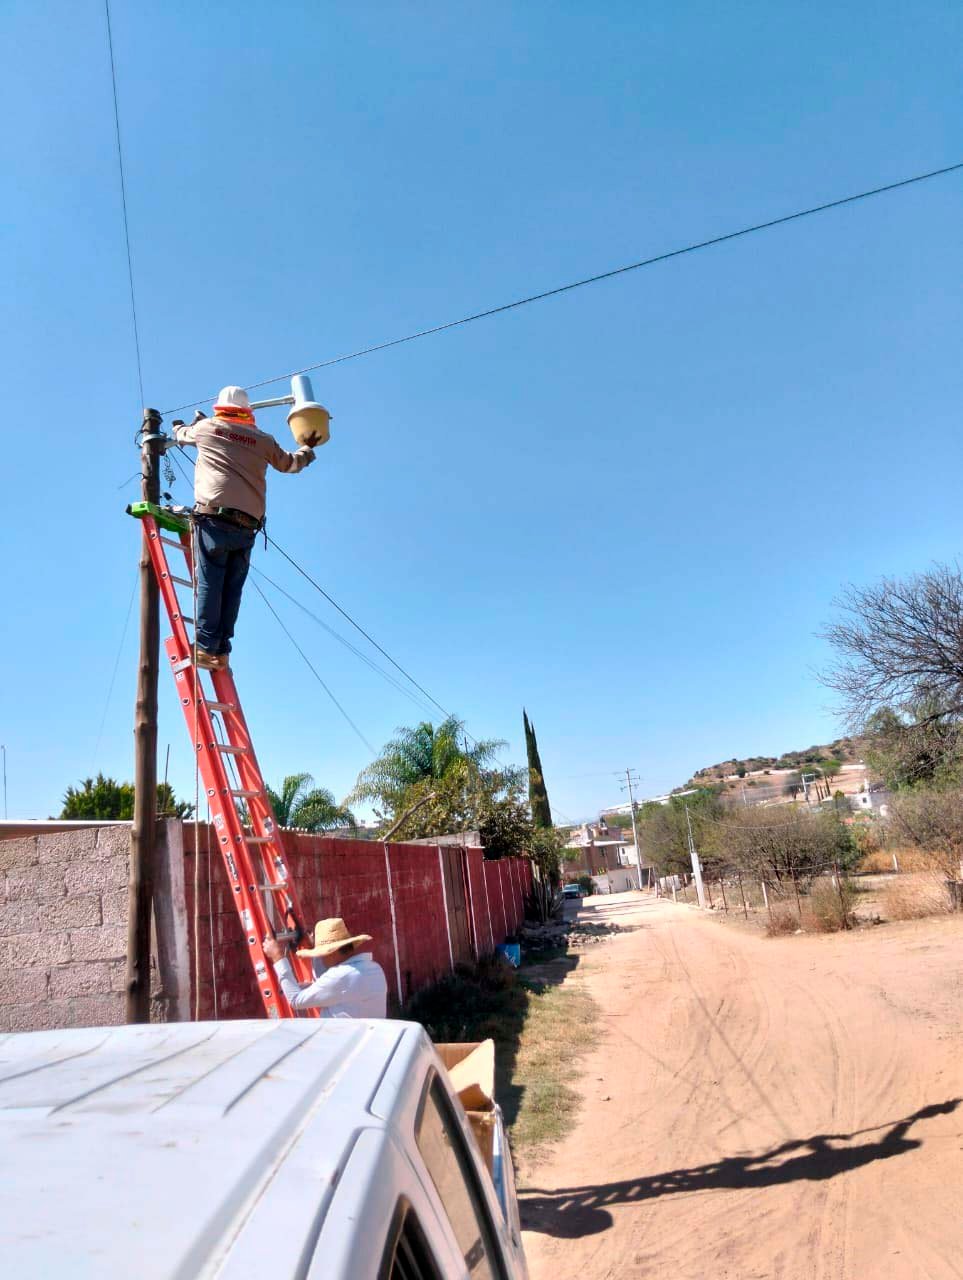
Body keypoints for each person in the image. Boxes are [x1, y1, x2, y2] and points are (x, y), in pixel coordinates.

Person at [173, 385, 319, 669]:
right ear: (247, 412)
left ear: (220, 408)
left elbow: (181, 435)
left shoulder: (206, 428)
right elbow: (290, 464)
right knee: (232, 590)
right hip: (246, 526)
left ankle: (205, 648)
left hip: (214, 520)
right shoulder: (262, 440)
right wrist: (308, 449)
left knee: (211, 583)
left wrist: (180, 425)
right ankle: (222, 652)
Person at [262, 917, 388, 1017]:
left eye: (322, 954)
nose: (321, 958)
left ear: (332, 952)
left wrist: (278, 957)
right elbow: (340, 990)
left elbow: (295, 1000)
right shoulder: (374, 968)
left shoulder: (339, 976)